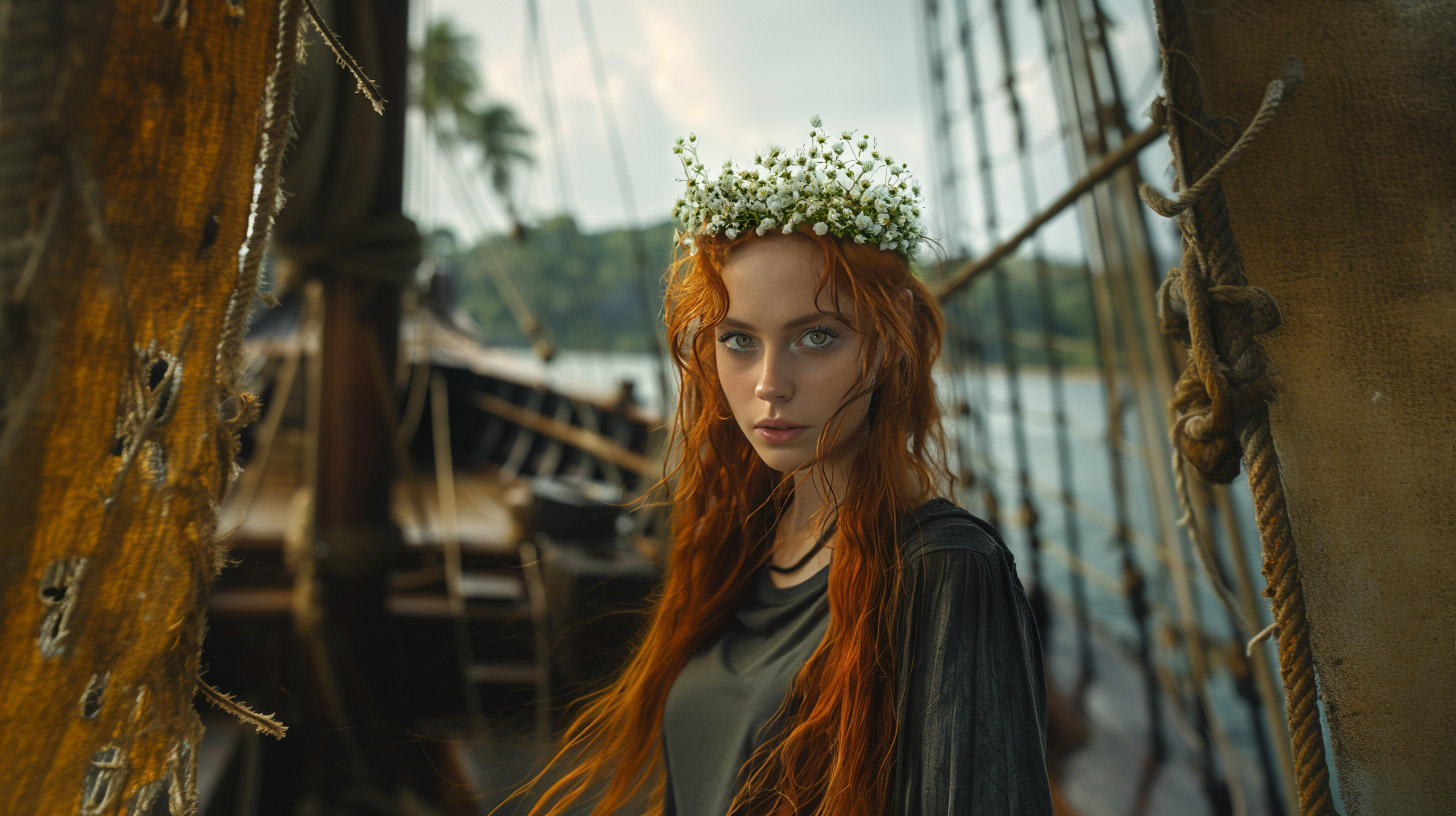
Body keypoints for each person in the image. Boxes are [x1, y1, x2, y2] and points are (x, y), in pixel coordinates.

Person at [512, 117, 1052, 816]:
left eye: (816, 337)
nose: (769, 383)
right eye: (739, 340)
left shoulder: (947, 570)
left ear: (889, 348)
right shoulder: (743, 539)